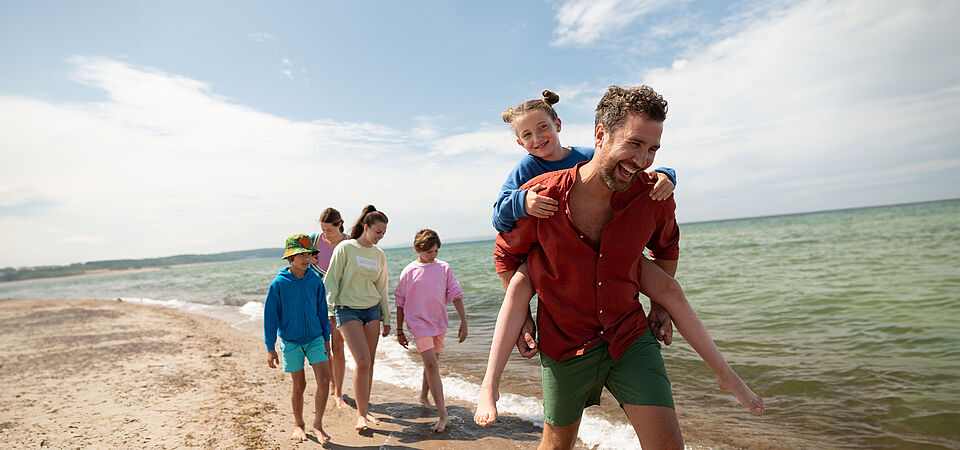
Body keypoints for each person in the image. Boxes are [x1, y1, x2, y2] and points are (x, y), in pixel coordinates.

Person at [487, 85, 762, 449]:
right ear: (600, 135)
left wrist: (660, 307)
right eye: (634, 144)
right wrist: (523, 317)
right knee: (557, 445)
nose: (643, 160)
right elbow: (506, 253)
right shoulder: (540, 197)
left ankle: (724, 375)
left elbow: (667, 246)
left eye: (652, 149)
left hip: (629, 336)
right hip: (566, 343)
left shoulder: (652, 193)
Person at [323, 205, 391, 431]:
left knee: (369, 363)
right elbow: (331, 281)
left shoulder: (379, 255)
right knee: (362, 361)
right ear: (366, 227)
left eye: (383, 233)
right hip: (347, 310)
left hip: (372, 311)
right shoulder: (346, 248)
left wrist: (387, 317)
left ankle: (365, 409)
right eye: (377, 232)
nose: (380, 237)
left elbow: (382, 287)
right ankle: (360, 415)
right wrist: (330, 310)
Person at [394, 229, 469, 433]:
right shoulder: (409, 271)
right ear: (417, 249)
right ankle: (443, 414)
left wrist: (464, 322)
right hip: (418, 325)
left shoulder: (444, 268)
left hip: (439, 324)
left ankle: (424, 396)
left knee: (432, 364)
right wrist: (399, 330)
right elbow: (400, 302)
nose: (433, 255)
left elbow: (455, 294)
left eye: (436, 251)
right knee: (432, 365)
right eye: (429, 252)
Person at [263, 234, 332, 444]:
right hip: (291, 342)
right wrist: (270, 346)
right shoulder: (279, 284)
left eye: (308, 254)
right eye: (299, 254)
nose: (304, 258)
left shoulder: (315, 282)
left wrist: (326, 338)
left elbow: (322, 311)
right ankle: (298, 423)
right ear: (289, 258)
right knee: (299, 384)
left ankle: (318, 424)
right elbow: (270, 316)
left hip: (315, 338)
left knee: (324, 379)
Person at [309, 207, 349, 409]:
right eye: (323, 229)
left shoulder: (348, 243)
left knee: (338, 345)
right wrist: (308, 257)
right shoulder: (314, 239)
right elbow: (293, 255)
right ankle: (332, 382)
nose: (326, 234)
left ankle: (339, 391)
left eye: (329, 230)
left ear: (339, 225)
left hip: (339, 301)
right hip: (316, 299)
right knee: (325, 345)